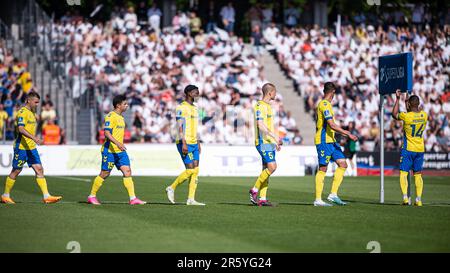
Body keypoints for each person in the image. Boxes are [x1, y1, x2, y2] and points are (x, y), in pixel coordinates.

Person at [1, 91, 62, 204]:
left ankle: (46, 196)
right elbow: (21, 129)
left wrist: (34, 138)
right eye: (36, 102)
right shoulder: (22, 112)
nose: (37, 104)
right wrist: (34, 138)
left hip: (31, 147)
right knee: (16, 170)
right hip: (21, 147)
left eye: (38, 102)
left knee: (39, 169)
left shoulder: (32, 113)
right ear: (29, 100)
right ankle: (5, 195)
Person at [87, 95, 146, 205]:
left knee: (127, 171)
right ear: (118, 105)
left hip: (120, 151)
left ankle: (133, 198)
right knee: (105, 173)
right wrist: (118, 143)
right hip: (109, 150)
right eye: (125, 104)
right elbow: (107, 133)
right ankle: (91, 196)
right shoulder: (110, 116)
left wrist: (120, 145)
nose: (127, 106)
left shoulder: (121, 118)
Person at [314, 82, 358, 206]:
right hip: (323, 141)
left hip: (331, 141)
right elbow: (331, 125)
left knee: (343, 164)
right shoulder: (324, 104)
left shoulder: (327, 105)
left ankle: (333, 194)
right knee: (323, 168)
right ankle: (318, 200)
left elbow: (331, 127)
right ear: (333, 92)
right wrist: (348, 133)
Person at [166, 85, 205, 206]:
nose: (197, 94)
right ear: (188, 93)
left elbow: (195, 127)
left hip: (194, 142)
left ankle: (191, 199)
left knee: (195, 170)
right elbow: (179, 127)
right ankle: (171, 187)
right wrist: (183, 142)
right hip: (184, 142)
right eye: (195, 92)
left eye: (198, 92)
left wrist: (198, 142)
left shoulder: (195, 108)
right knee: (190, 170)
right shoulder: (181, 108)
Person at [248, 83, 283, 206]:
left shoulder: (268, 106)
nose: (275, 94)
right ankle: (254, 190)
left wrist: (275, 141)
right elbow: (260, 124)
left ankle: (262, 199)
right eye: (275, 92)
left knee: (266, 169)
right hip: (262, 142)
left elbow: (269, 127)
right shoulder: (259, 106)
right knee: (272, 167)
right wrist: (274, 137)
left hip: (269, 142)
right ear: (270, 93)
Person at [392, 90, 427, 206]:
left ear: (409, 105)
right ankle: (419, 200)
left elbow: (394, 114)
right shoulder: (424, 115)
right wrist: (408, 100)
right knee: (418, 174)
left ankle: (405, 198)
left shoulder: (406, 116)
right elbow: (413, 112)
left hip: (408, 149)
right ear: (419, 104)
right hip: (420, 149)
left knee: (403, 173)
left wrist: (398, 99)